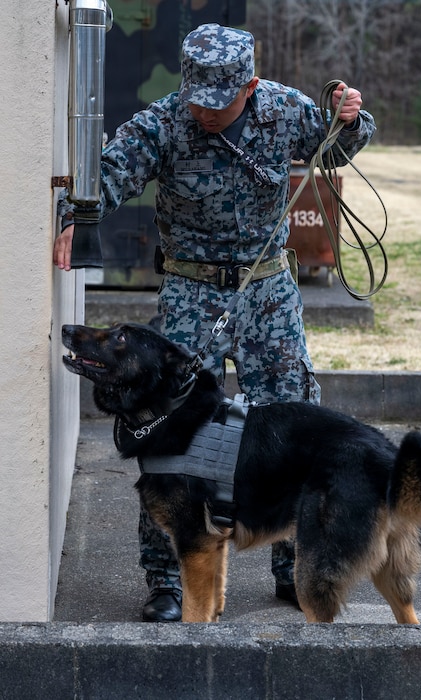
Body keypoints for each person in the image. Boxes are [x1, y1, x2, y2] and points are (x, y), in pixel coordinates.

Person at [54, 23, 376, 622]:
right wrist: (82, 215)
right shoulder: (166, 119)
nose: (204, 112)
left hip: (267, 293)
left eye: (218, 101)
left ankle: (292, 567)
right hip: (191, 290)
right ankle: (169, 580)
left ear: (248, 86)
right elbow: (114, 169)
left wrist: (350, 117)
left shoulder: (282, 109)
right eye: (196, 98)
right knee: (163, 434)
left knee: (290, 423)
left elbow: (337, 146)